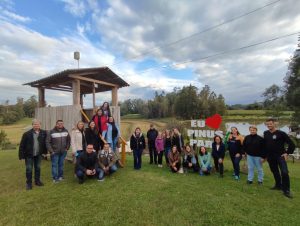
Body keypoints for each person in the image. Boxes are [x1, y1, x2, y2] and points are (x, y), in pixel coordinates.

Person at [264, 118, 295, 198]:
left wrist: (287, 153)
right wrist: (265, 156)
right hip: (270, 157)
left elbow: (291, 144)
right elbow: (265, 145)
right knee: (275, 171)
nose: (269, 125)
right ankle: (278, 185)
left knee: (284, 172)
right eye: (267, 124)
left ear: (274, 124)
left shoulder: (281, 133)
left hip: (280, 156)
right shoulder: (266, 133)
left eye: (270, 124)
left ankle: (286, 190)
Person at [19, 119, 47, 190]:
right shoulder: (26, 134)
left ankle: (37, 181)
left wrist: (44, 153)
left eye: (38, 124)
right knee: (29, 169)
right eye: (35, 124)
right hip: (29, 155)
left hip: (38, 154)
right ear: (32, 125)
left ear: (40, 125)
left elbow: (44, 144)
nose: (36, 125)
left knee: (38, 168)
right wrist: (21, 156)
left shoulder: (43, 132)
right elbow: (22, 145)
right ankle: (29, 183)